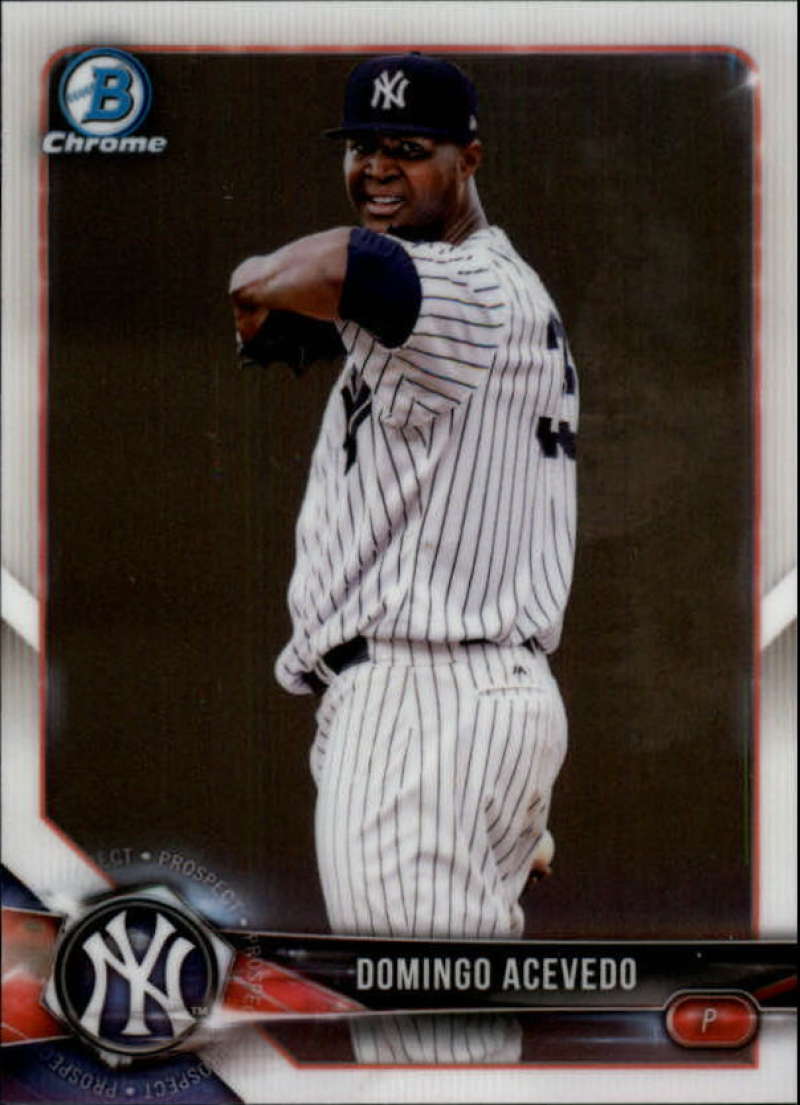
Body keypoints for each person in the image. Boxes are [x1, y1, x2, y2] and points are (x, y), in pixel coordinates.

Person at [230, 52, 578, 1064]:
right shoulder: (492, 292)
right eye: (361, 147)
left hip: (422, 712)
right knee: (450, 1043)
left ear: (470, 158)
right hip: (473, 711)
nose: (377, 168)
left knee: (426, 1057)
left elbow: (351, 265)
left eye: (408, 148)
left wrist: (253, 287)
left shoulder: (462, 285)